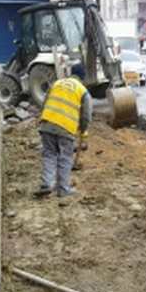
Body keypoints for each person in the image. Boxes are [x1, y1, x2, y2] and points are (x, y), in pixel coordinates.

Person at [34, 64, 92, 200]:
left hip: (47, 124)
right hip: (66, 128)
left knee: (49, 155)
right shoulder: (83, 91)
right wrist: (83, 133)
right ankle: (63, 190)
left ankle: (47, 184)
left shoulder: (57, 83)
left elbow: (45, 102)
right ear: (82, 77)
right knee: (65, 158)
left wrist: (41, 118)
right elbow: (86, 116)